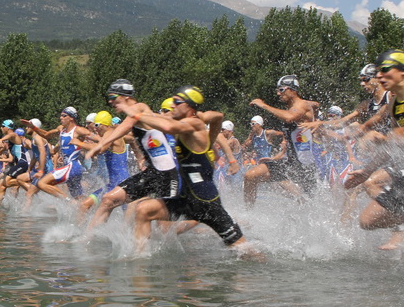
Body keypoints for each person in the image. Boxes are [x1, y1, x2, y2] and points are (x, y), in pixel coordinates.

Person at [113, 85, 255, 254]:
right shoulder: (198, 118)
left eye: (177, 102)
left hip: (206, 203)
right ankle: (139, 257)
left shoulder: (193, 123)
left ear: (189, 106)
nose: (173, 105)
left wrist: (134, 113)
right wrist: (210, 141)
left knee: (245, 251)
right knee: (143, 210)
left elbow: (169, 128)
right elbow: (218, 116)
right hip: (186, 201)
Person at [344, 49, 404, 278]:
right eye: (377, 73)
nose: (380, 77)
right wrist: (367, 171)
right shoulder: (395, 105)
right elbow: (395, 142)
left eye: (385, 70)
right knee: (368, 220)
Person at [84, 80, 179, 231]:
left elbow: (126, 125)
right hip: (152, 173)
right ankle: (86, 240)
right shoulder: (141, 115)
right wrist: (141, 157)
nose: (111, 101)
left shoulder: (139, 107)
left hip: (167, 175)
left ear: (126, 97)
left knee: (163, 227)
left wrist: (101, 144)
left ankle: (201, 221)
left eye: (114, 97)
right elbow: (131, 134)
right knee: (108, 200)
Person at [244, 75, 318, 206]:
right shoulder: (299, 106)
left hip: (304, 167)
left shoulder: (301, 104)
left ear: (292, 90)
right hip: (289, 163)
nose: (278, 93)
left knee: (310, 205)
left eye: (281, 89)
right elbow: (315, 105)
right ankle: (248, 214)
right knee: (250, 176)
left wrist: (263, 105)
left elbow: (289, 118)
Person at [26, 107, 91, 200]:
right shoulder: (61, 129)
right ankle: (89, 208)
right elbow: (46, 135)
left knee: (41, 183)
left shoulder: (78, 130)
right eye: (60, 115)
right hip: (72, 169)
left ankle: (68, 201)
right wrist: (33, 127)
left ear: (71, 118)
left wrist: (82, 144)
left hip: (73, 167)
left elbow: (98, 140)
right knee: (78, 197)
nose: (61, 118)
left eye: (64, 116)